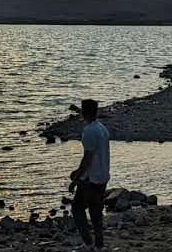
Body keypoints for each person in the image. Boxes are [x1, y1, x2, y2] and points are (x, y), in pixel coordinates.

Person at [69, 98, 110, 252]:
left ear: (84, 112)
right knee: (96, 212)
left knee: (77, 209)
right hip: (103, 176)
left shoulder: (89, 131)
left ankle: (88, 243)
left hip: (91, 179)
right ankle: (99, 245)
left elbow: (87, 159)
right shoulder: (102, 128)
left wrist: (76, 178)